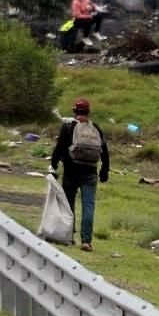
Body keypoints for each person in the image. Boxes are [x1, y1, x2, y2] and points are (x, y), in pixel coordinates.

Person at [49, 98, 110, 252]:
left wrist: (53, 166)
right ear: (88, 112)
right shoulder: (95, 128)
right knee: (88, 206)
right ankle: (86, 241)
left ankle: (69, 236)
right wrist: (104, 170)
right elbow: (104, 151)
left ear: (74, 112)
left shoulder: (68, 127)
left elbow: (59, 148)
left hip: (70, 172)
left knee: (68, 205)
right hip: (90, 173)